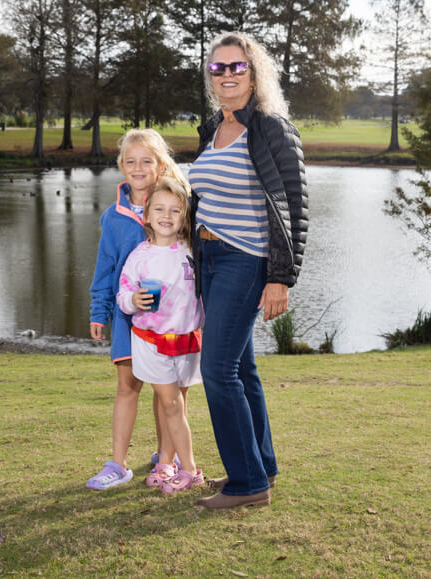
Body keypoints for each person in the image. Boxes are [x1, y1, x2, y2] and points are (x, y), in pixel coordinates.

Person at [188, 31, 308, 509]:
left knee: (217, 370)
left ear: (254, 75)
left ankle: (246, 484)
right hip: (210, 260)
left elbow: (294, 207)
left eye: (237, 66)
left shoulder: (272, 129)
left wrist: (281, 277)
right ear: (210, 77)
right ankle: (262, 467)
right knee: (241, 368)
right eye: (218, 68)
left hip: (246, 259)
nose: (227, 75)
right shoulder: (212, 129)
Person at [86, 129, 188, 490]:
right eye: (130, 161)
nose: (138, 167)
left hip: (172, 320)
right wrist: (98, 311)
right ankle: (118, 464)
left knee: (170, 392)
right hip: (127, 318)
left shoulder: (179, 204)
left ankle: (167, 459)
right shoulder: (113, 218)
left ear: (161, 165)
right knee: (127, 385)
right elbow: (105, 269)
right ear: (121, 166)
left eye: (147, 160)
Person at [117, 177, 205, 494]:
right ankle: (191, 469)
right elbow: (123, 296)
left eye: (175, 210)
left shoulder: (192, 252)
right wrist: (133, 300)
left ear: (184, 217)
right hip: (151, 341)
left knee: (175, 405)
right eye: (159, 209)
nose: (166, 216)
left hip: (187, 342)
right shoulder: (139, 256)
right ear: (147, 215)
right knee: (170, 403)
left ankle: (167, 462)